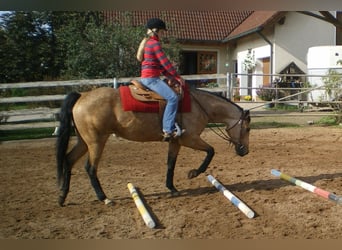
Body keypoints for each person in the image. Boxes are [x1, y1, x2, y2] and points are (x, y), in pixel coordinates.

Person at [137, 18, 186, 141]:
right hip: (151, 79)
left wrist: (169, 76)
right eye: (162, 32)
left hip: (147, 77)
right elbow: (165, 63)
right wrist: (177, 77)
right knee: (173, 98)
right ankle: (168, 129)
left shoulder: (148, 43)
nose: (163, 34)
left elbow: (159, 66)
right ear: (155, 31)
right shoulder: (154, 44)